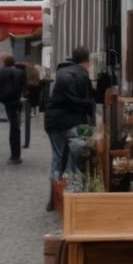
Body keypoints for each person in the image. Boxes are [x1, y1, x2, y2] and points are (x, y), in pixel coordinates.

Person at [42, 47, 96, 181]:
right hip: (74, 121)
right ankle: (71, 186)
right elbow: (87, 102)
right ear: (87, 61)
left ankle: (56, 187)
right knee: (75, 157)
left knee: (58, 155)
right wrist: (92, 125)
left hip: (53, 121)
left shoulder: (60, 72)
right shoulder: (82, 74)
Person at [0, 53, 27, 165]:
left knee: (14, 127)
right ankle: (16, 155)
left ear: (5, 63)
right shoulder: (20, 72)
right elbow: (23, 88)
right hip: (16, 101)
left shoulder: (2, 72)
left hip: (7, 101)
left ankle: (14, 155)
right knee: (15, 127)